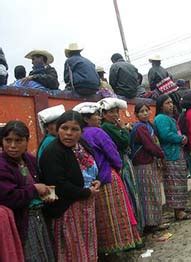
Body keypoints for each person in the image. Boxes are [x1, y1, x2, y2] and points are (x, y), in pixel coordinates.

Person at [73, 102, 142, 254]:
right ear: (86, 118)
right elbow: (113, 154)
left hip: (93, 183)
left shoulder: (78, 135)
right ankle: (123, 245)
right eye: (96, 115)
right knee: (118, 214)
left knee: (102, 218)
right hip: (108, 176)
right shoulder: (98, 132)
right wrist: (117, 167)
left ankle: (108, 249)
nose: (99, 118)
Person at [39, 111, 101, 262]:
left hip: (84, 205)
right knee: (72, 251)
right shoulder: (53, 152)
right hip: (66, 209)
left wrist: (96, 180)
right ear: (57, 129)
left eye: (74, 129)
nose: (68, 133)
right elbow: (59, 185)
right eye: (64, 128)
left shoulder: (81, 145)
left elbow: (90, 167)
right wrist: (86, 192)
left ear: (81, 131)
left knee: (86, 246)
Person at [0, 120, 55, 261]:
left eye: (18, 141)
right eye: (8, 140)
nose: (12, 146)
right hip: (20, 221)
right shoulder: (2, 165)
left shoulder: (28, 159)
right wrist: (35, 189)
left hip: (38, 218)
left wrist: (46, 193)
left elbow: (37, 182)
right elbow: (8, 196)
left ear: (27, 141)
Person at [99, 97, 144, 232]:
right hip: (122, 161)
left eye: (116, 112)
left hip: (123, 160)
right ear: (104, 114)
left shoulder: (111, 126)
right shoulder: (108, 127)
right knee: (130, 190)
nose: (115, 115)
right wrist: (124, 130)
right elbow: (125, 142)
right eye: (111, 112)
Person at [154, 95, 191, 221]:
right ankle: (178, 211)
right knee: (173, 183)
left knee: (180, 181)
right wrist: (180, 138)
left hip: (177, 152)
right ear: (161, 105)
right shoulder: (161, 118)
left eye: (171, 102)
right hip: (170, 154)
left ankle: (181, 207)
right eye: (167, 103)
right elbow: (165, 135)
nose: (170, 105)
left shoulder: (169, 118)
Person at [129, 102, 165, 231]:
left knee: (152, 191)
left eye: (147, 110)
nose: (145, 113)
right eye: (141, 111)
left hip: (149, 162)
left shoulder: (148, 126)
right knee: (149, 193)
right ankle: (152, 223)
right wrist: (161, 154)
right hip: (143, 164)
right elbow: (149, 145)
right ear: (136, 114)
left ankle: (155, 219)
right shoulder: (140, 128)